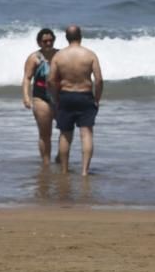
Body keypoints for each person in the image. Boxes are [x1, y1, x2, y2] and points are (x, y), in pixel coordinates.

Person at [48, 25, 103, 176]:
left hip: (66, 95)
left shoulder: (58, 56)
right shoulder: (90, 54)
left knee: (65, 134)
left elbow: (51, 80)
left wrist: (56, 98)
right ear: (81, 36)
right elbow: (98, 80)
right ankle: (85, 171)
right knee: (86, 134)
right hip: (85, 95)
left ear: (66, 37)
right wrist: (97, 99)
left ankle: (65, 170)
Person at [21, 28, 58, 166]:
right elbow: (27, 78)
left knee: (66, 130)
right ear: (39, 42)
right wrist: (26, 97)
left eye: (51, 40)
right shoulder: (34, 58)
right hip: (41, 97)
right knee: (45, 134)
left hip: (59, 97)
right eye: (45, 41)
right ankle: (46, 163)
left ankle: (61, 157)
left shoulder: (60, 55)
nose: (48, 43)